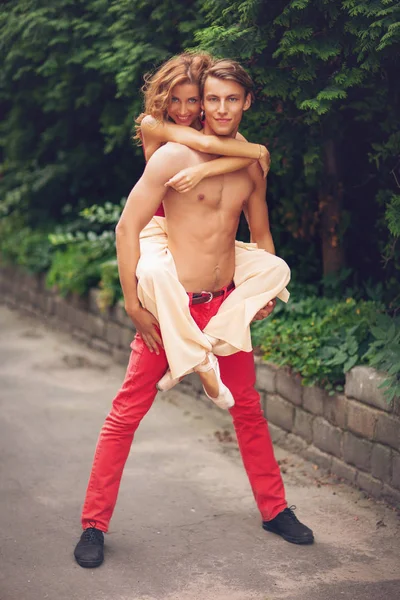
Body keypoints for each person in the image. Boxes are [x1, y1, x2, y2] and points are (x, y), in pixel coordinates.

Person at [73, 58, 314, 569]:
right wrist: (134, 305)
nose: (220, 108)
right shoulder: (172, 156)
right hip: (169, 311)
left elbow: (261, 234)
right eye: (212, 99)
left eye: (231, 99)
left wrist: (257, 292)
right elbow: (127, 228)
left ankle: (275, 510)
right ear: (201, 103)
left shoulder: (251, 166)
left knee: (247, 408)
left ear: (247, 102)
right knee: (125, 414)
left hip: (224, 305)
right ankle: (93, 525)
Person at [133, 53, 290, 408]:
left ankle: (194, 350)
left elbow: (238, 155)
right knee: (156, 274)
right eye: (175, 99)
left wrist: (210, 170)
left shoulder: (216, 130)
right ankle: (198, 360)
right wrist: (257, 151)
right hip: (159, 227)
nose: (184, 109)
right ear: (162, 98)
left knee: (278, 270)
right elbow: (208, 146)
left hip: (195, 235)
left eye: (192, 100)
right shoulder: (153, 125)